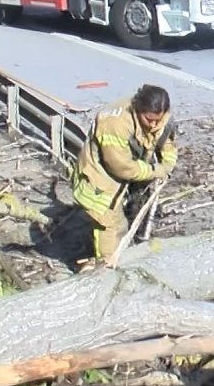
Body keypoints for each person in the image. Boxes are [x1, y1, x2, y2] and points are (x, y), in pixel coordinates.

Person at [72, 84, 178, 268]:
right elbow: (121, 167)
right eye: (149, 120)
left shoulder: (162, 119)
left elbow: (167, 145)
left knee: (123, 224)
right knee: (110, 225)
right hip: (100, 180)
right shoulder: (114, 124)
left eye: (158, 120)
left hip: (131, 172)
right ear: (138, 109)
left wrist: (167, 167)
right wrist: (155, 171)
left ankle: (116, 257)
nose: (153, 125)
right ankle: (105, 267)